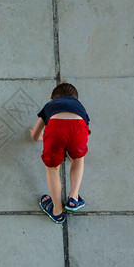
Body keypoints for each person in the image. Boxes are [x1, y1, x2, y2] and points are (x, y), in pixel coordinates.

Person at [29, 83, 91, 223]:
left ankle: (57, 211)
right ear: (76, 98)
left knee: (52, 168)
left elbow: (35, 136)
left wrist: (39, 137)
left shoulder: (50, 106)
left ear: (52, 99)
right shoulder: (80, 107)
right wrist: (72, 149)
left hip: (55, 129)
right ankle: (73, 198)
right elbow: (83, 130)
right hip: (78, 128)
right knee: (78, 159)